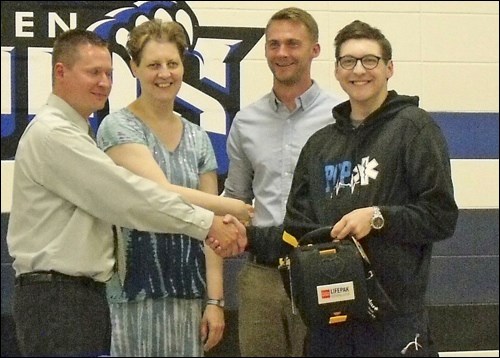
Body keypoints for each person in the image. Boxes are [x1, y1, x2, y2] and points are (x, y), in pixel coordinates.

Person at [6, 28, 246, 357]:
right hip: (59, 301)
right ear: (60, 72)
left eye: (108, 73)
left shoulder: (74, 131)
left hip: (77, 298)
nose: (104, 83)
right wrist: (211, 221)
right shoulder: (55, 134)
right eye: (93, 72)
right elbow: (129, 197)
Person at [283, 20, 459, 356]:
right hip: (329, 324)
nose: (359, 70)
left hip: (394, 323)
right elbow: (297, 226)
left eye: (370, 60)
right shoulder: (320, 145)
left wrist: (378, 217)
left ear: (389, 68)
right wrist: (245, 233)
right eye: (348, 61)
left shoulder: (414, 129)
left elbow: (441, 216)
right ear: (336, 71)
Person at [96, 19, 252, 357]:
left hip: (187, 295)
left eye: (172, 63)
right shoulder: (116, 127)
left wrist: (214, 300)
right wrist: (231, 207)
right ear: (135, 68)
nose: (164, 73)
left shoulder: (198, 139)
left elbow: (211, 231)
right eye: (153, 65)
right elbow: (158, 192)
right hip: (132, 294)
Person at [223, 7, 341, 357]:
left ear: (315, 50)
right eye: (274, 44)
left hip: (323, 269)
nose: (282, 53)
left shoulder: (341, 118)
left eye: (293, 43)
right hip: (262, 277)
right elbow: (236, 198)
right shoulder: (246, 122)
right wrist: (216, 224)